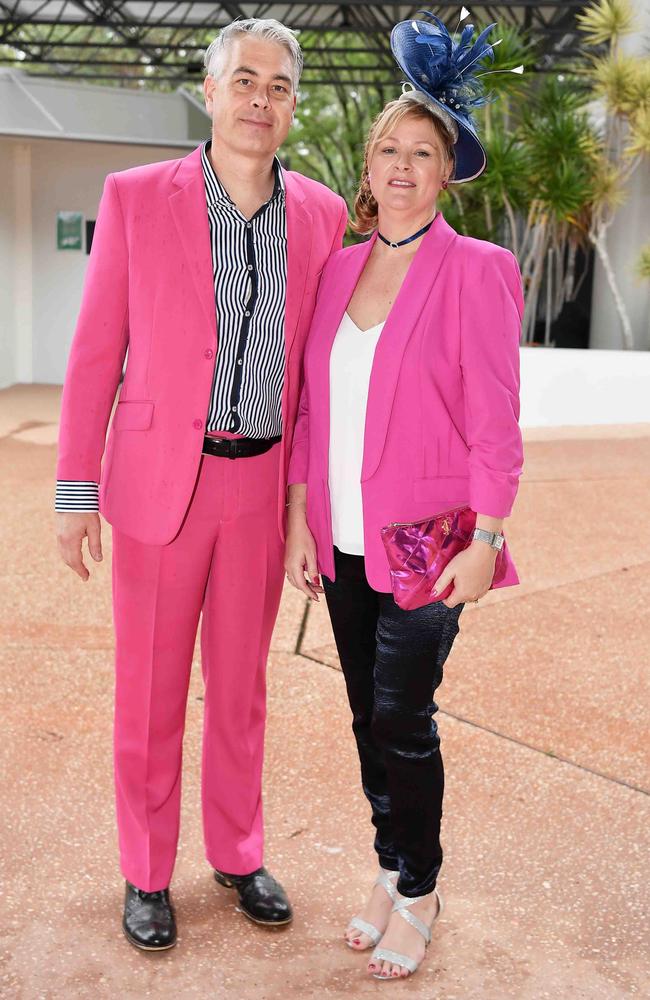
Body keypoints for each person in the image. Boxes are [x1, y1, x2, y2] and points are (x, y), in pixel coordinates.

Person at [55, 17, 348, 950]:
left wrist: (309, 511)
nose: (262, 99)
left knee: (241, 686)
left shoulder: (324, 214)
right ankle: (146, 871)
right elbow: (96, 353)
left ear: (292, 108)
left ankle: (236, 848)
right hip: (155, 487)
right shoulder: (137, 198)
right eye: (246, 81)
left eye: (280, 86)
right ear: (212, 91)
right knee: (147, 689)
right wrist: (73, 493)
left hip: (261, 489)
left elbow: (319, 380)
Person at [285, 12, 524, 982]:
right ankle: (389, 865)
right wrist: (305, 519)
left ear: (443, 169)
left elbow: (494, 417)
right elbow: (312, 410)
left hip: (434, 536)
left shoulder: (478, 270)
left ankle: (418, 889)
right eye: (387, 147)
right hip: (340, 536)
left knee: (400, 716)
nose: (398, 164)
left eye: (419, 151)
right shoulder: (337, 267)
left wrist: (489, 534)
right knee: (361, 715)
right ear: (370, 162)